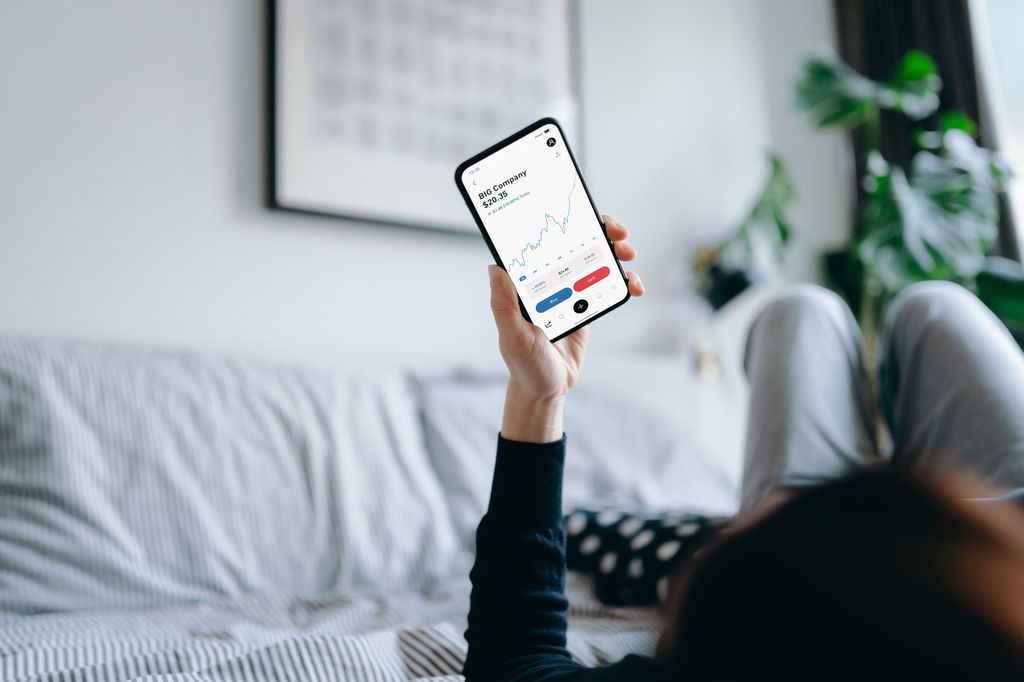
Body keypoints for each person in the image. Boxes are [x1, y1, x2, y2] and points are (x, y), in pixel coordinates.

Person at [463, 216, 1024, 681]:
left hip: (817, 565)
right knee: (925, 309)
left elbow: (512, 665)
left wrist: (541, 395)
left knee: (802, 313)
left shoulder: (755, 637)